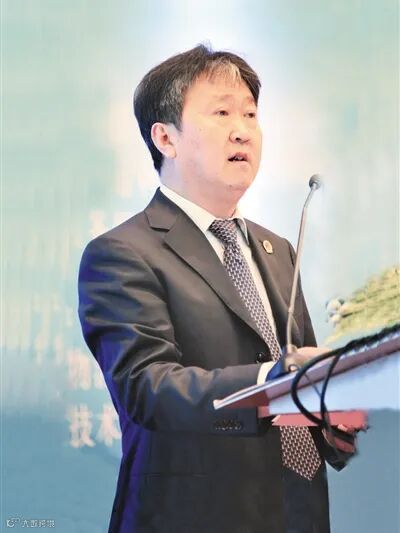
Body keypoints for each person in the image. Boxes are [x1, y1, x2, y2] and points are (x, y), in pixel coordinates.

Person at [78, 45, 355, 533]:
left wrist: (336, 410)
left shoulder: (277, 249)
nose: (242, 129)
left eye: (250, 114)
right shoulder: (123, 253)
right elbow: (148, 387)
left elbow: (301, 378)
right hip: (193, 516)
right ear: (165, 137)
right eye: (222, 112)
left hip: (298, 513)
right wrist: (273, 380)